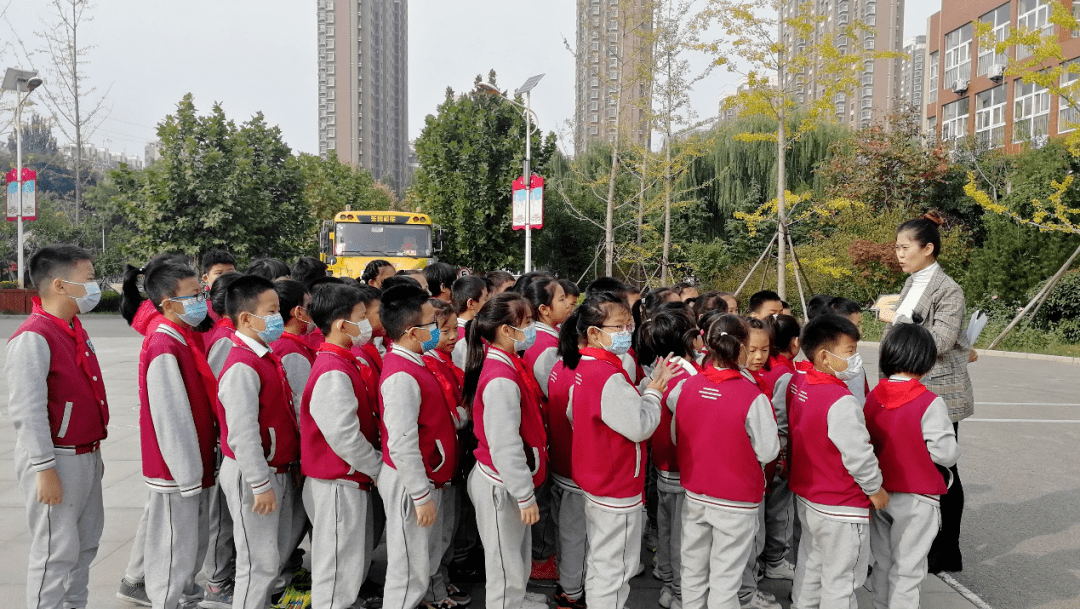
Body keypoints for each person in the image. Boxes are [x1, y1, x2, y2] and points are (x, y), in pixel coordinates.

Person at [560, 293, 677, 609]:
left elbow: (577, 413)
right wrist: (653, 393)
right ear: (594, 333)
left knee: (602, 560)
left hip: (598, 479)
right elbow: (640, 427)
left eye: (629, 324)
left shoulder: (588, 367)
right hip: (617, 485)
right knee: (615, 568)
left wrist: (640, 392)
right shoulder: (608, 375)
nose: (627, 331)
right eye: (619, 326)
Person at [7, 245, 108, 609]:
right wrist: (43, 469)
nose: (96, 286)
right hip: (57, 460)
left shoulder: (71, 328)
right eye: (90, 279)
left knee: (84, 549)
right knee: (54, 554)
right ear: (61, 286)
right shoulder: (34, 336)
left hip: (84, 455)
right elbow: (27, 411)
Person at [879, 212, 975, 574]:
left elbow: (940, 340)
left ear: (928, 248)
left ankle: (946, 550)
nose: (899, 254)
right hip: (906, 388)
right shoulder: (911, 282)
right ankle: (918, 543)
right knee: (914, 464)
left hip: (938, 391)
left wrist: (898, 320)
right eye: (897, 247)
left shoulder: (947, 288)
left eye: (905, 247)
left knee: (943, 468)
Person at [676, 314, 781, 609]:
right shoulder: (751, 395)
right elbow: (768, 451)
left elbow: (677, 435)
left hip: (696, 493)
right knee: (726, 578)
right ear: (741, 347)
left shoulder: (690, 385)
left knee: (693, 570)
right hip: (736, 500)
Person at [131, 259, 218, 609]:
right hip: (177, 472)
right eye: (194, 295)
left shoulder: (182, 337)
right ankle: (166, 600)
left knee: (189, 545)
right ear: (168, 303)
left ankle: (184, 596)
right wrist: (187, 474)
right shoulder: (163, 345)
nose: (201, 301)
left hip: (193, 467)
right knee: (172, 547)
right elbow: (170, 417)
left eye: (201, 293)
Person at [787, 315, 888, 609]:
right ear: (824, 356)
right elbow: (859, 453)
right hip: (841, 506)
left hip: (810, 497)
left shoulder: (804, 386)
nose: (856, 360)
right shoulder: (840, 401)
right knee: (841, 582)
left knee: (810, 565)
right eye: (850, 351)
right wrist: (874, 488)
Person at [217, 275, 301, 609]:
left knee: (269, 560)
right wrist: (259, 483)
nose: (278, 317)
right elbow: (243, 433)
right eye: (271, 311)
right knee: (257, 564)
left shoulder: (264, 356)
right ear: (246, 318)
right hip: (254, 473)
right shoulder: (242, 366)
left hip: (272, 470)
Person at [463, 293, 550, 609]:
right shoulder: (501, 379)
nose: (531, 329)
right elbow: (505, 445)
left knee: (515, 554)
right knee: (504, 565)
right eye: (527, 323)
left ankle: (517, 598)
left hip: (509, 481)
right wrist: (524, 494)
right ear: (504, 330)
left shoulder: (510, 364)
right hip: (502, 484)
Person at [300, 282, 384, 609]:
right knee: (336, 570)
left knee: (346, 563)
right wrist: (377, 467)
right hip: (336, 482)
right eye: (362, 316)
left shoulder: (341, 361)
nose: (367, 323)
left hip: (345, 480)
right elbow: (344, 436)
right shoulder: (333, 370)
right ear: (341, 324)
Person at [865, 323, 961, 609]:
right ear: (927, 361)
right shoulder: (929, 402)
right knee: (908, 568)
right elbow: (945, 453)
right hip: (917, 497)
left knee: (882, 561)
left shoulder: (873, 397)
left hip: (880, 491)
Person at [377, 284, 459, 609]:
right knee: (409, 571)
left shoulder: (416, 361)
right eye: (432, 323)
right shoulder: (401, 374)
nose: (438, 330)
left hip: (424, 477)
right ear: (412, 331)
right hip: (412, 481)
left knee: (418, 565)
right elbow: (402, 441)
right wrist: (420, 494)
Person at [638, 306, 704, 609]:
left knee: (665, 531)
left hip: (662, 466)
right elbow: (691, 424)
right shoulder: (688, 374)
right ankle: (679, 591)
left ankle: (667, 581)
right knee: (683, 539)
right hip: (682, 470)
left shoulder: (660, 366)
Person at [422, 298, 472, 609]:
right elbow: (451, 414)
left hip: (453, 460)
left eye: (455, 329)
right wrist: (464, 414)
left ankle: (440, 579)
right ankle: (431, 591)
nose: (453, 336)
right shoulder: (430, 365)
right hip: (436, 464)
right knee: (433, 535)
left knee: (446, 531)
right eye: (445, 330)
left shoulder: (446, 363)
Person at [270, 279, 317, 583]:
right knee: (289, 523)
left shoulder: (290, 345)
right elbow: (302, 411)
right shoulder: (292, 350)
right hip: (293, 456)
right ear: (299, 311)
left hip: (292, 455)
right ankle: (279, 579)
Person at [828, 297, 870, 403]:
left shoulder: (856, 364)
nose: (858, 331)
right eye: (856, 326)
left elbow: (865, 395)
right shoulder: (827, 365)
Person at [450, 275, 490, 369]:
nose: (488, 303)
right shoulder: (463, 338)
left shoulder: (469, 331)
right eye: (485, 299)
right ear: (471, 303)